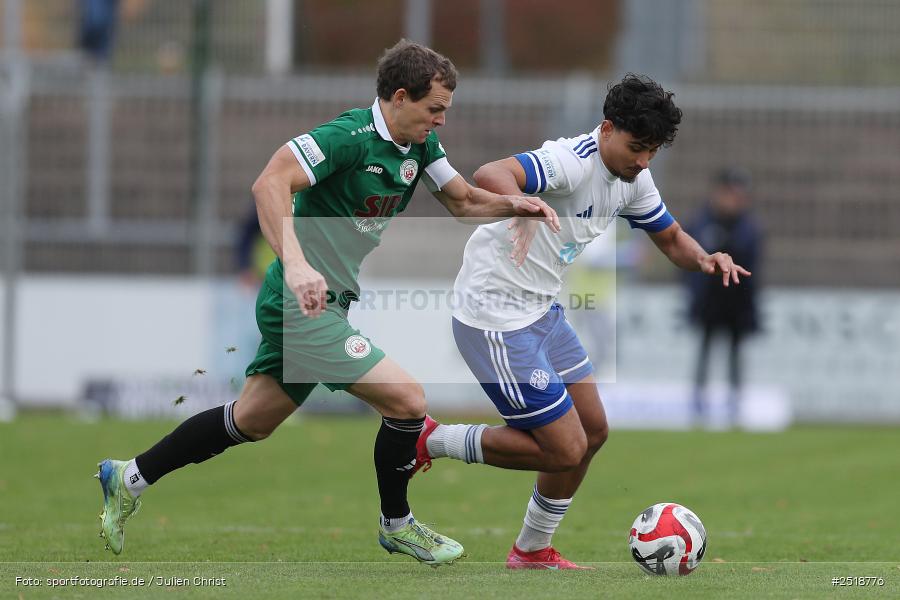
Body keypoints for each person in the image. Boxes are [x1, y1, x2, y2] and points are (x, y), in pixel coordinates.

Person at [94, 40, 560, 566]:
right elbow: (269, 182)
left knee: (252, 420)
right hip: (299, 304)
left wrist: (515, 203)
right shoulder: (348, 137)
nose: (441, 122)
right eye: (435, 110)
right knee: (407, 401)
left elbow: (463, 200)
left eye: (445, 112)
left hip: (328, 305)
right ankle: (398, 525)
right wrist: (294, 263)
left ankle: (127, 477)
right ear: (399, 98)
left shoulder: (420, 149)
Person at [411, 74, 751, 569]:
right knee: (565, 448)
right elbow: (490, 173)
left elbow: (672, 237)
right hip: (495, 315)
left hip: (541, 311)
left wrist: (705, 259)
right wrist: (521, 206)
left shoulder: (634, 179)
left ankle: (531, 550)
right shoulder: (570, 163)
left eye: (653, 151)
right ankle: (431, 439)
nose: (643, 161)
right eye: (637, 147)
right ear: (607, 128)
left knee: (592, 431)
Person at [685, 167, 762, 426]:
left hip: (737, 303)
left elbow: (753, 265)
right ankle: (698, 402)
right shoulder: (701, 222)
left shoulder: (748, 228)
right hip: (709, 300)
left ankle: (735, 402)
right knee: (705, 349)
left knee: (735, 352)